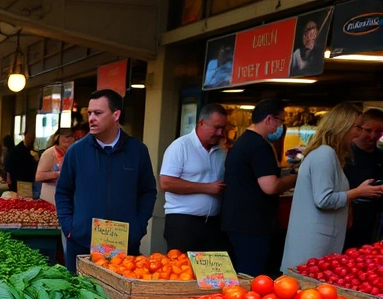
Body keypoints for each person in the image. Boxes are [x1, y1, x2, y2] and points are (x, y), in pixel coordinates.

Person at [55, 89, 158, 274]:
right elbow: (63, 192)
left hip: (124, 246)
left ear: (116, 115)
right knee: (79, 298)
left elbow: (148, 191)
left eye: (98, 113)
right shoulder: (76, 152)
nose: (92, 118)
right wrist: (70, 228)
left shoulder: (137, 150)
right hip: (82, 244)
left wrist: (138, 228)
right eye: (90, 113)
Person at [281, 104, 383, 271]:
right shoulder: (324, 153)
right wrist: (358, 192)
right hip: (314, 243)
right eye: (357, 127)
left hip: (318, 241)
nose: (358, 133)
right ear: (342, 126)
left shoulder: (327, 153)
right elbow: (324, 199)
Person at [221, 98, 298, 276]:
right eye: (281, 121)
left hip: (236, 221)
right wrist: (294, 179)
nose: (281, 126)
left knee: (241, 274)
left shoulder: (241, 143)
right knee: (251, 278)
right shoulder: (259, 146)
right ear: (269, 119)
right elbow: (270, 186)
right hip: (253, 225)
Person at [159, 103, 229, 253]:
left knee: (208, 274)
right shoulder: (180, 147)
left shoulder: (221, 152)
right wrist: (207, 188)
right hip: (183, 222)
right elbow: (166, 183)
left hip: (212, 223)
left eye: (223, 128)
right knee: (181, 271)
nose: (220, 132)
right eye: (216, 127)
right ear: (202, 123)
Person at [344, 108, 383, 249]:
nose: (373, 136)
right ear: (359, 129)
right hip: (348, 219)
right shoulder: (345, 156)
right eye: (368, 130)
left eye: (379, 132)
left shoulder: (380, 156)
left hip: (375, 222)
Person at [35, 128, 76, 205]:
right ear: (57, 138)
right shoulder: (49, 153)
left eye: (73, 137)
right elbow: (39, 176)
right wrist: (59, 174)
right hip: (50, 199)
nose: (71, 139)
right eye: (67, 137)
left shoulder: (72, 153)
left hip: (67, 198)